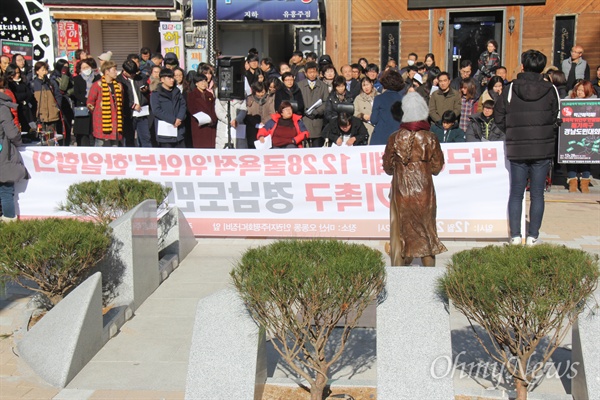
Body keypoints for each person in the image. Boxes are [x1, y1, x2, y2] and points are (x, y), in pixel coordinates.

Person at [495, 49, 559, 245]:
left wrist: (513, 131)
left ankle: (515, 236)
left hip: (518, 148)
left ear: (523, 66)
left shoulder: (510, 89)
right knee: (537, 193)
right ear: (542, 68)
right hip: (542, 148)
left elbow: (498, 117)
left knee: (516, 192)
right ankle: (532, 236)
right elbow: (556, 118)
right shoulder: (551, 89)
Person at [382, 91, 446, 267]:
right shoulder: (431, 137)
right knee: (427, 234)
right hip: (424, 192)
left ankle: (400, 282)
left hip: (400, 192)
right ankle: (430, 281)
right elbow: (436, 168)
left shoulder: (394, 138)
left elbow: (388, 168)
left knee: (400, 234)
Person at [0, 79, 30, 222]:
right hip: (3, 153)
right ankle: (9, 226)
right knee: (6, 190)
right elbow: (12, 133)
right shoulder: (2, 107)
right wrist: (19, 141)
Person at [566, 80, 596, 193]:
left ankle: (585, 182)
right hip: (572, 134)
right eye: (578, 90)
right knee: (570, 157)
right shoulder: (568, 100)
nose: (579, 93)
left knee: (587, 158)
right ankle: (572, 181)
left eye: (582, 91)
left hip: (588, 135)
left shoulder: (594, 102)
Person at [87, 60, 124, 147]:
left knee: (115, 148)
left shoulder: (119, 85)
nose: (116, 72)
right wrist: (98, 112)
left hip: (116, 121)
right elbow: (90, 103)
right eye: (114, 70)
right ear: (107, 72)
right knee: (100, 147)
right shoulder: (97, 85)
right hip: (102, 121)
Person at [150, 68, 187, 148]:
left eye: (172, 78)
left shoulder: (176, 92)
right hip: (165, 132)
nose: (172, 80)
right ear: (162, 79)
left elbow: (183, 105)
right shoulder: (156, 94)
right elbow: (156, 110)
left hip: (179, 130)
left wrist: (179, 118)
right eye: (169, 78)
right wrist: (173, 120)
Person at [118, 60, 151, 147]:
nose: (133, 75)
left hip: (142, 112)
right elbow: (122, 98)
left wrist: (145, 91)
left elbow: (146, 91)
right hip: (129, 114)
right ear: (124, 71)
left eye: (134, 73)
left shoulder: (140, 78)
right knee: (129, 138)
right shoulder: (119, 80)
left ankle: (147, 156)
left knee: (146, 137)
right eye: (131, 73)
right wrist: (132, 105)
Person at [370, 69, 406, 145]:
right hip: (398, 136)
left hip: (380, 136)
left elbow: (374, 120)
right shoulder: (403, 99)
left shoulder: (379, 98)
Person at [298, 61, 329, 147]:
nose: (312, 74)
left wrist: (316, 111)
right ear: (305, 73)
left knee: (317, 146)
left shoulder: (323, 86)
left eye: (314, 72)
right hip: (304, 119)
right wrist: (304, 110)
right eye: (310, 72)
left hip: (317, 120)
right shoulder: (299, 86)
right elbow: (297, 101)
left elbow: (326, 102)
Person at [72, 58, 100, 146]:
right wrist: (88, 101)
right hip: (82, 108)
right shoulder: (77, 79)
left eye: (87, 67)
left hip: (96, 107)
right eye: (83, 68)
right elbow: (76, 93)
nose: (86, 69)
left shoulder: (98, 78)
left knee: (94, 130)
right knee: (83, 133)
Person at [186, 72, 216, 148]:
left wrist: (213, 119)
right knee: (200, 145)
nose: (203, 83)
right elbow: (192, 109)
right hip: (199, 124)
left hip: (211, 125)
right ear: (196, 83)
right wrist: (204, 118)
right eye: (201, 81)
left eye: (205, 81)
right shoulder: (192, 95)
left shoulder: (210, 95)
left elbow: (214, 108)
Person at [32, 61, 62, 134]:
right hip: (39, 114)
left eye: (46, 70)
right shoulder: (33, 84)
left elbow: (58, 95)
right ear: (37, 71)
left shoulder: (51, 83)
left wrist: (57, 107)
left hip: (52, 113)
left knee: (51, 136)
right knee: (40, 135)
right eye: (42, 70)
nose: (44, 72)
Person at [5, 64, 36, 133]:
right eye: (15, 73)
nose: (17, 75)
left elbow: (29, 94)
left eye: (18, 72)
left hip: (26, 109)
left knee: (29, 128)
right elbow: (14, 96)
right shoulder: (9, 84)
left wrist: (25, 101)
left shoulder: (23, 83)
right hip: (17, 109)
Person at [244, 81, 275, 149]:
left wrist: (263, 122)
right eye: (258, 92)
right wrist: (256, 123)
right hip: (253, 127)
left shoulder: (269, 99)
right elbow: (248, 113)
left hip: (266, 126)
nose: (261, 94)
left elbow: (272, 113)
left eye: (262, 92)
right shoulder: (250, 99)